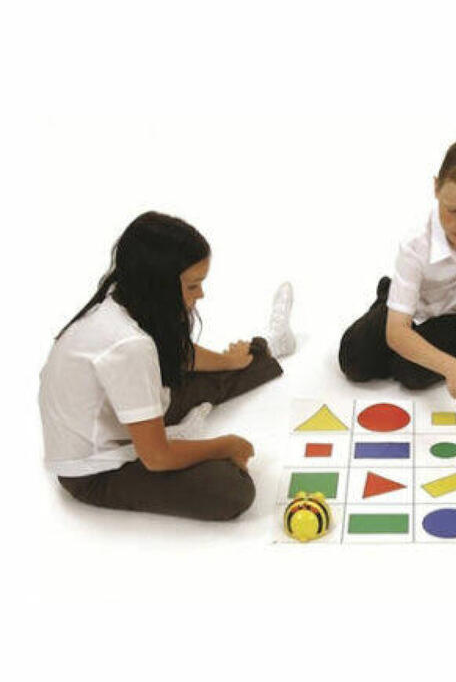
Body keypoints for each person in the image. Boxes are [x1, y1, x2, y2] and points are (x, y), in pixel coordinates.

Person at [39, 211, 295, 520]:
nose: (201, 294)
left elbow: (175, 355)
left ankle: (269, 348)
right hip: (93, 472)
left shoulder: (125, 295)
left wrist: (231, 361)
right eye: (193, 286)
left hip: (121, 415)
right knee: (233, 490)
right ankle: (254, 366)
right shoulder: (130, 346)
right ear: (158, 285)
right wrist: (225, 446)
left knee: (218, 372)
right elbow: (157, 457)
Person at [338, 136, 456, 412]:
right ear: (436, 187)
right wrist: (452, 367)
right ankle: (391, 297)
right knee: (354, 360)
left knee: (411, 373)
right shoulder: (416, 244)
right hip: (418, 303)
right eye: (452, 210)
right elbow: (396, 334)